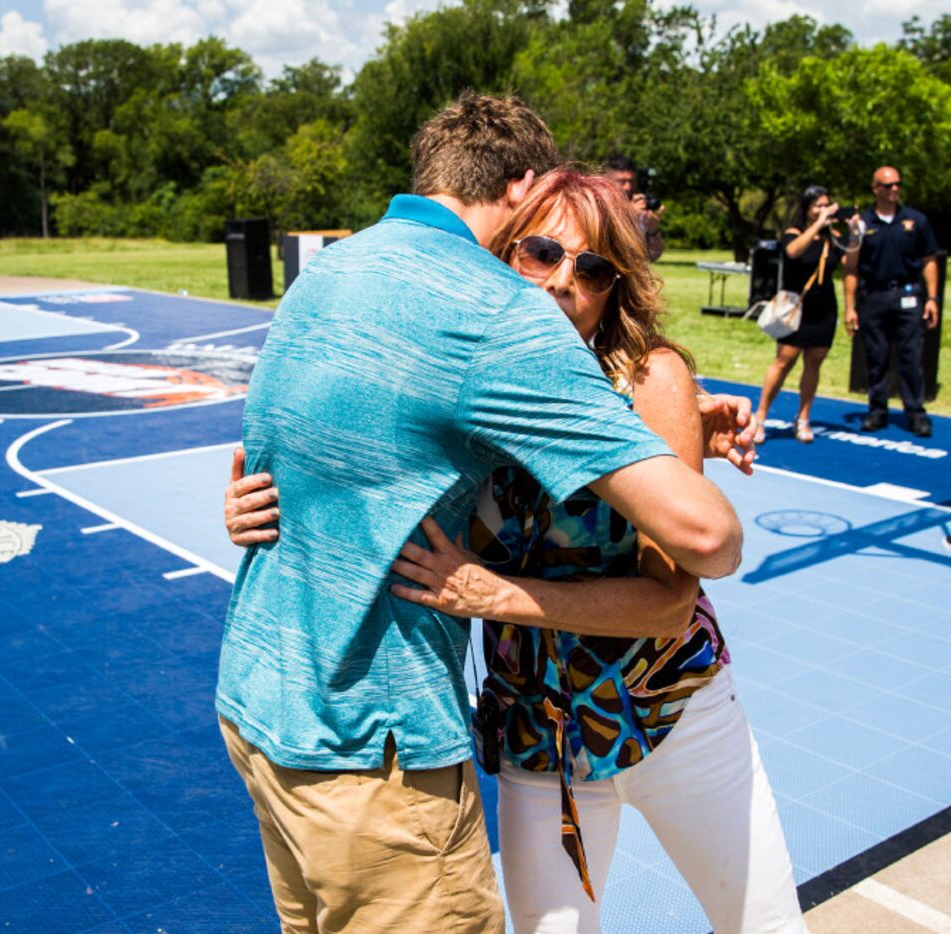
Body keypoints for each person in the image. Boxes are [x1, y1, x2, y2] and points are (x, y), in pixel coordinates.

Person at [217, 91, 755, 933]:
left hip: (282, 702)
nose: (560, 281)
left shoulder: (337, 266)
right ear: (516, 207)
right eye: (540, 250)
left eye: (593, 268)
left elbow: (693, 555)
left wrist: (675, 430)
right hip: (428, 732)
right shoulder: (494, 327)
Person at [844, 165, 940, 437]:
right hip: (874, 296)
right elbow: (850, 267)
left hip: (908, 296)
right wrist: (850, 307)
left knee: (911, 355)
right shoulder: (863, 224)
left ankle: (915, 411)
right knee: (876, 356)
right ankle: (877, 410)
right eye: (888, 185)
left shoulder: (915, 221)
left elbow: (929, 260)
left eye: (898, 183)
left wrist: (932, 298)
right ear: (876, 189)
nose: (895, 189)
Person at [755, 186, 857, 442]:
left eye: (827, 205)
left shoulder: (831, 236)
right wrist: (818, 224)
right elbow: (792, 252)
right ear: (807, 209)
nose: (823, 210)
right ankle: (760, 416)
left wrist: (855, 232)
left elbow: (850, 264)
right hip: (796, 307)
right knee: (785, 360)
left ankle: (803, 417)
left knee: (814, 362)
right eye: (818, 206)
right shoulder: (794, 232)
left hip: (823, 308)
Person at [605, 154, 665, 261]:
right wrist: (628, 214)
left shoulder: (638, 206)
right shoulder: (597, 205)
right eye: (622, 181)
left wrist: (652, 228)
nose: (628, 187)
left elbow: (653, 255)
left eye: (631, 181)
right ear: (607, 181)